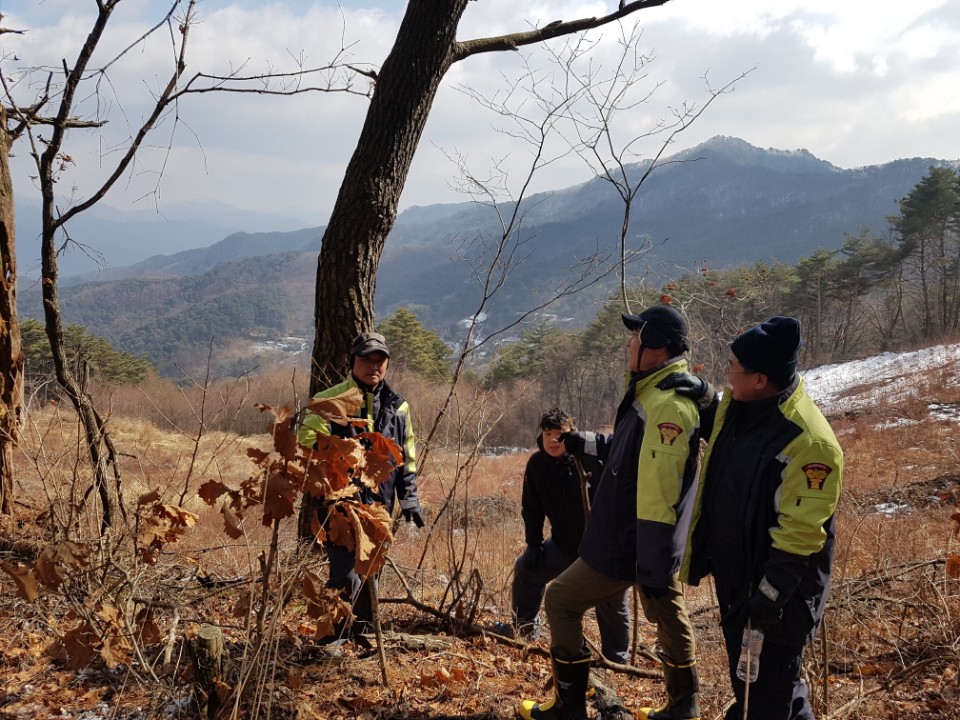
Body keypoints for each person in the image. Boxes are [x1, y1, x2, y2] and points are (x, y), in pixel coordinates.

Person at [520, 305, 705, 720]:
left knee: (561, 599)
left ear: (655, 346)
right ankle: (684, 707)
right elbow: (624, 452)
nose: (628, 343)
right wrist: (581, 441)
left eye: (636, 336)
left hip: (633, 542)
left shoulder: (666, 406)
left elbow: (660, 492)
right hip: (643, 543)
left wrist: (651, 563)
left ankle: (568, 707)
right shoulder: (651, 394)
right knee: (669, 613)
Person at [681, 316, 844, 720]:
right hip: (739, 581)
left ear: (759, 380)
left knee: (766, 697)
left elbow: (800, 534)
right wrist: (705, 398)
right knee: (773, 693)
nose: (726, 374)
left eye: (733, 367)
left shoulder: (809, 442)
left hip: (776, 598)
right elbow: (733, 443)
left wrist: (769, 597)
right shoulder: (743, 407)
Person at [297, 331, 423, 633]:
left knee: (370, 573)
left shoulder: (399, 406)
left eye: (380, 360)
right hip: (339, 505)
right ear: (352, 362)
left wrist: (410, 499)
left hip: (379, 507)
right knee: (345, 575)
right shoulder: (330, 400)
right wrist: (343, 454)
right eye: (366, 359)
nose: (373, 366)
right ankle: (332, 638)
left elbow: (406, 457)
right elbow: (306, 442)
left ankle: (363, 633)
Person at [500, 407, 630, 664]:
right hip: (564, 547)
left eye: (560, 433)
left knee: (612, 600)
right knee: (526, 569)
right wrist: (534, 545)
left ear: (572, 434)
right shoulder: (537, 465)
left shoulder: (590, 460)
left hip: (602, 550)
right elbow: (532, 508)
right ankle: (524, 631)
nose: (553, 440)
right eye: (548, 433)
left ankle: (616, 661)